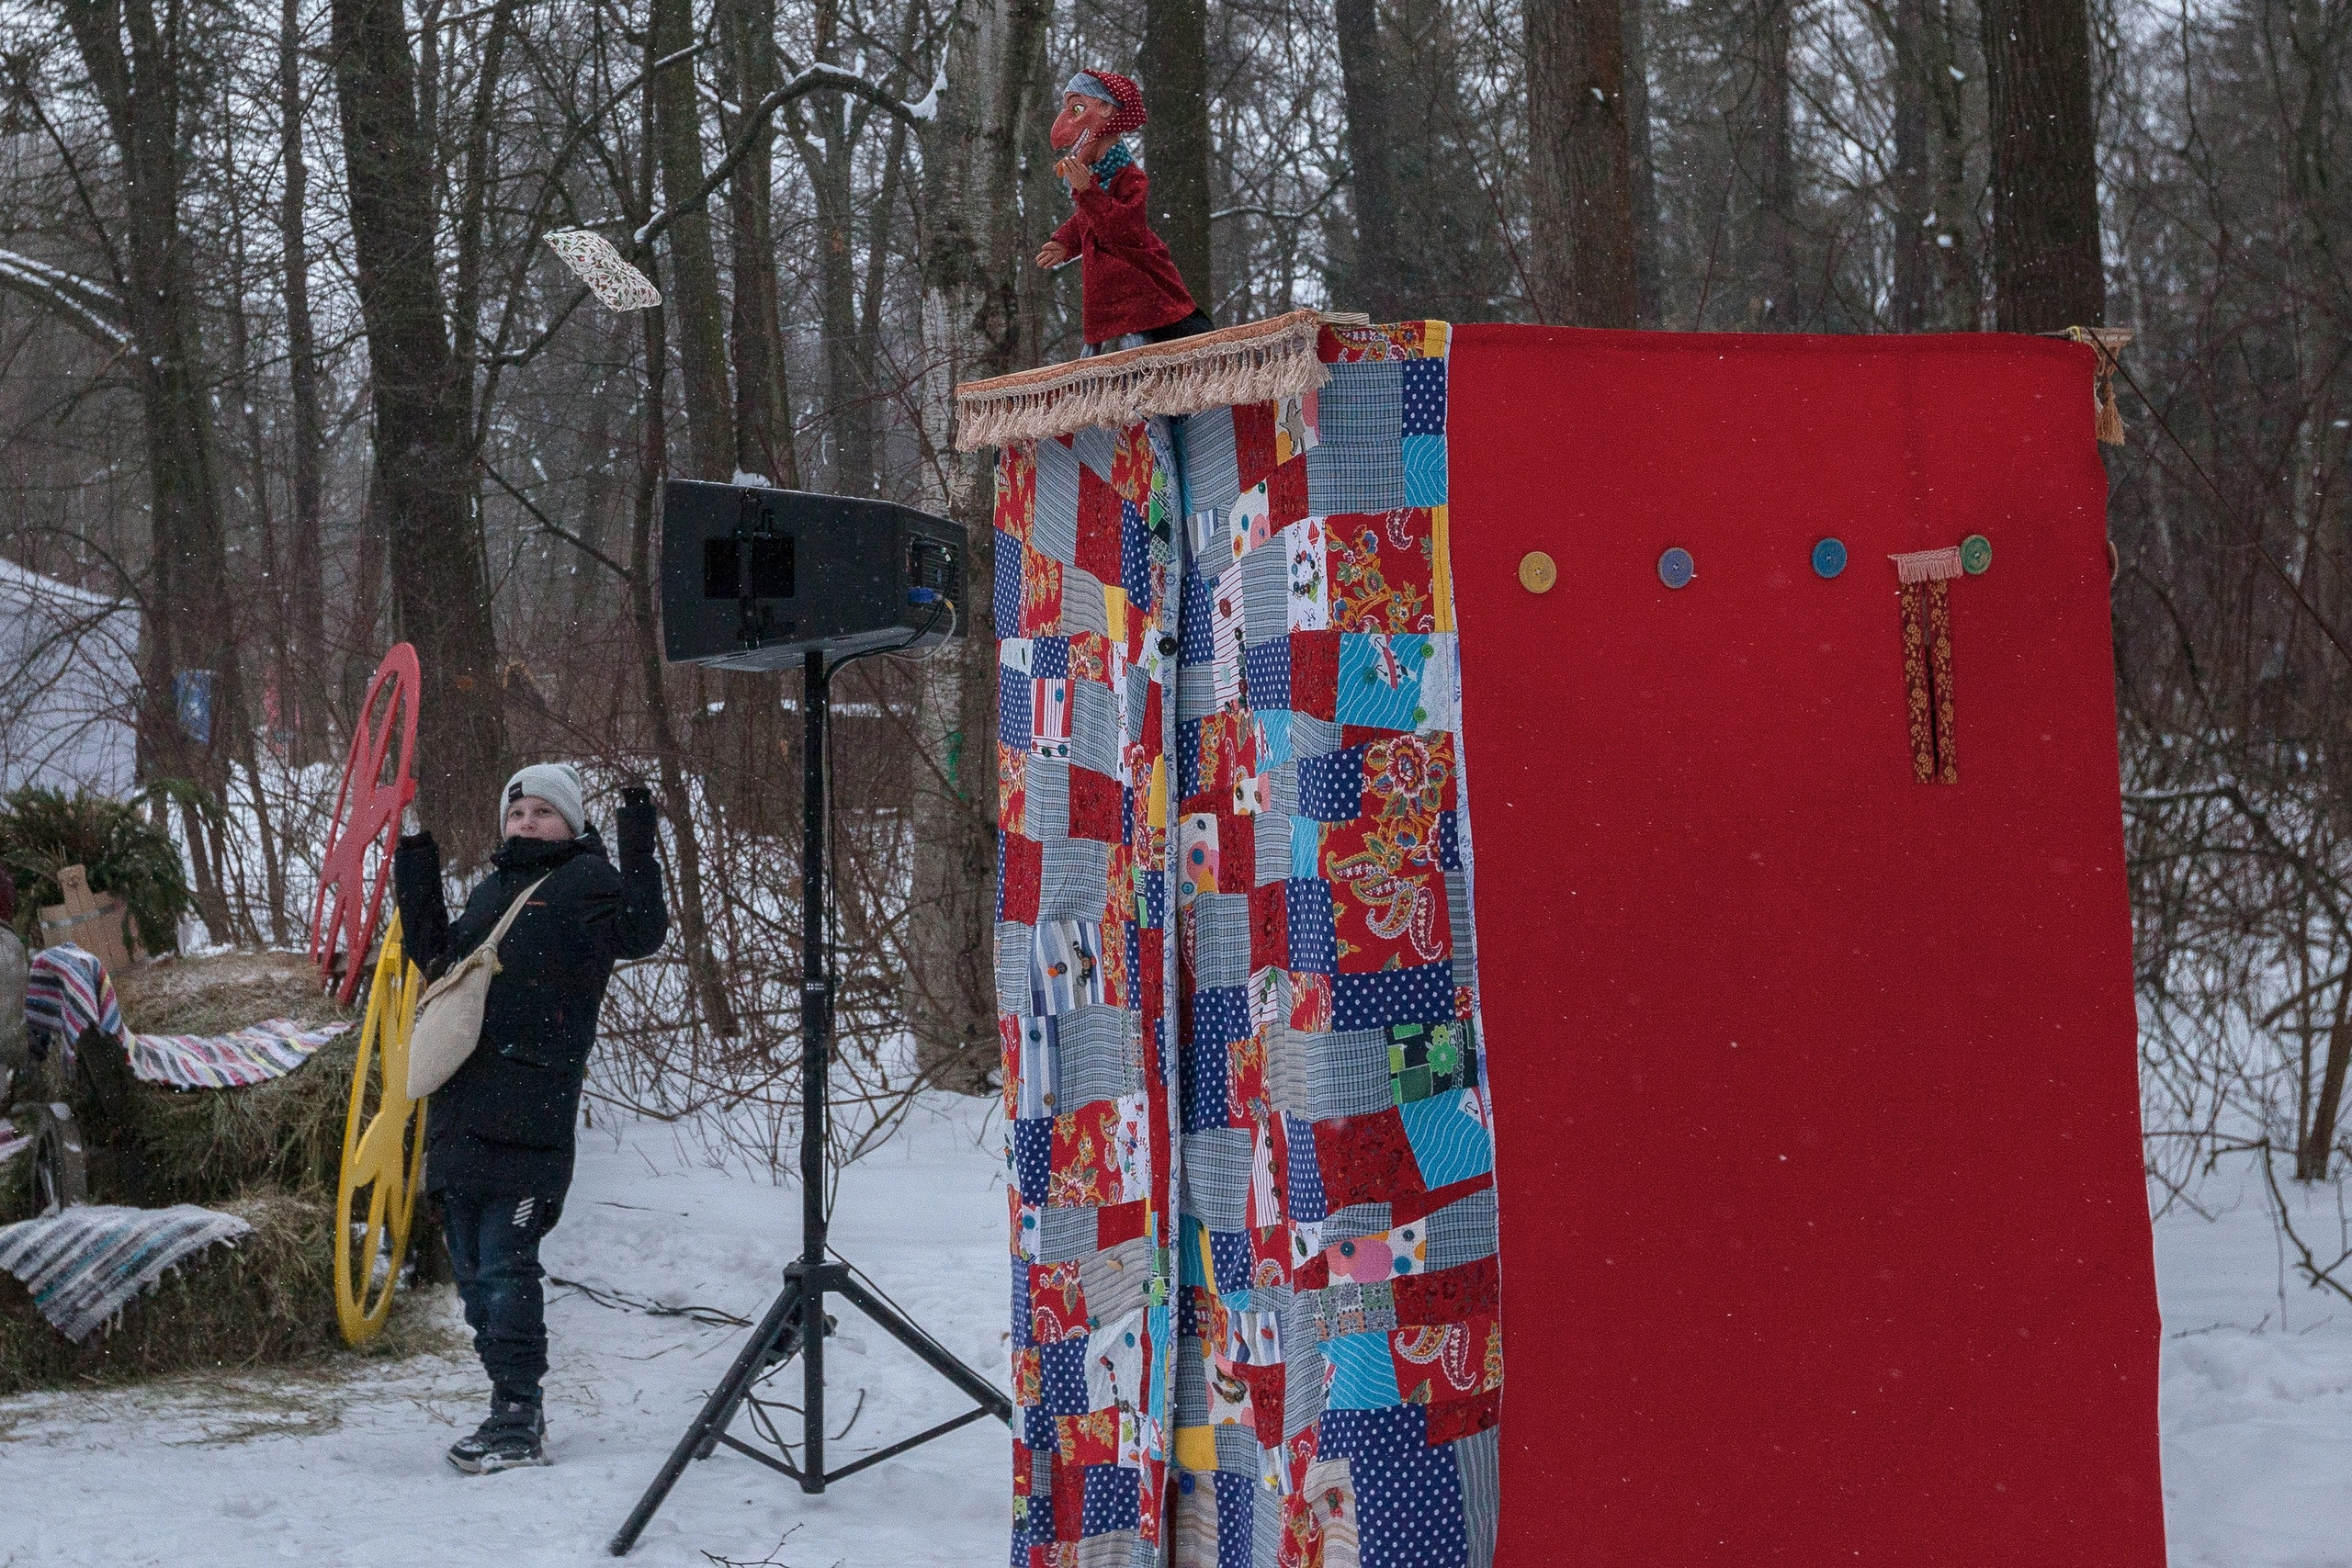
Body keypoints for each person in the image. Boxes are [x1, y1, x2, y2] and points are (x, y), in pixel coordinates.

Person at [392, 763, 668, 1473]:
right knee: (475, 1273)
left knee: (510, 1267)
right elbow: (434, 952)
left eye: (543, 811)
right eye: (517, 813)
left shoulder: (586, 883)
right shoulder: (492, 891)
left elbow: (643, 929)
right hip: (460, 1114)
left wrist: (638, 826)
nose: (527, 823)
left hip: (531, 1119)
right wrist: (414, 848)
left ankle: (518, 1410)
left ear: (572, 823)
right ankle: (507, 1399)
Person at [1032, 68, 1215, 355]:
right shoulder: (1099, 179)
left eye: (1078, 107)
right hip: (1106, 309)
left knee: (1143, 372)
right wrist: (1065, 241)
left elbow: (1122, 228)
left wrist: (1087, 192)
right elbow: (1090, 220)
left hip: (1137, 306)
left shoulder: (1130, 178)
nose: (1064, 126)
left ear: (1106, 108)